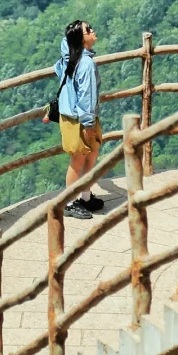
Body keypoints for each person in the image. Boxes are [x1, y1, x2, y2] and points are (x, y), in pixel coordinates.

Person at [52, 19, 103, 220]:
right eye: (88, 29)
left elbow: (59, 71)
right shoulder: (86, 63)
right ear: (81, 39)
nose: (93, 30)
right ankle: (70, 202)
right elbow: (86, 95)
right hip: (80, 118)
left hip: (72, 115)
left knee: (90, 154)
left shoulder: (69, 56)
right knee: (80, 158)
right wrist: (88, 123)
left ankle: (84, 195)